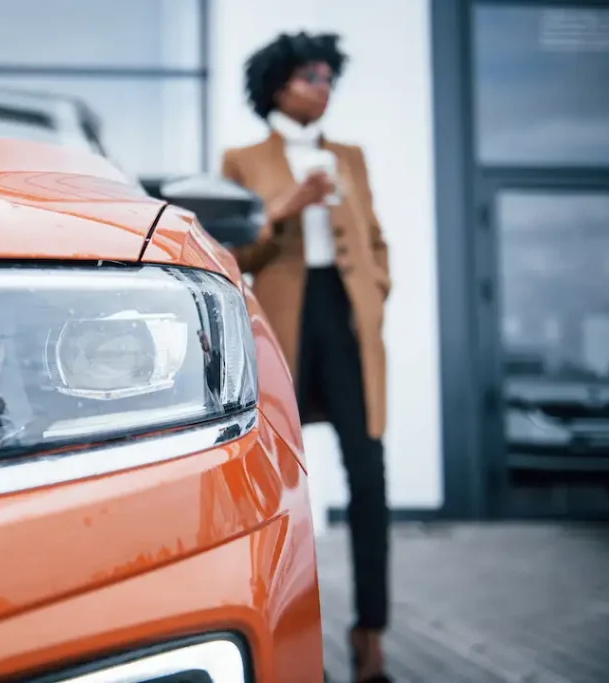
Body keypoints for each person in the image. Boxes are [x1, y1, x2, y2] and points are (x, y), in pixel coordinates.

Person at [221, 32, 392, 683]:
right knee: (283, 480)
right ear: (277, 85)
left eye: (329, 76)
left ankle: (370, 631)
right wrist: (283, 209)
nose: (323, 86)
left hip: (346, 327)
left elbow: (375, 241)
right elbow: (236, 254)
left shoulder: (349, 155)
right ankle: (286, 630)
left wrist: (374, 291)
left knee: (369, 476)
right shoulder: (242, 158)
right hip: (283, 327)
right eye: (310, 76)